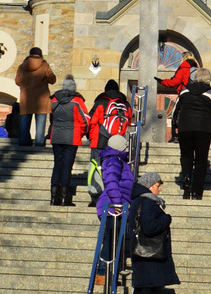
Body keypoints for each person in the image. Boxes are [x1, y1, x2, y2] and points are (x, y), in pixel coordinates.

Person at [124, 171, 178, 294]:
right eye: (157, 186)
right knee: (147, 292)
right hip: (149, 256)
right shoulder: (147, 203)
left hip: (142, 255)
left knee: (140, 291)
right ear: (148, 186)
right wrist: (166, 219)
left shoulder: (138, 202)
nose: (159, 189)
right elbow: (150, 227)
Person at [170, 68, 211, 200]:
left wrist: (175, 126)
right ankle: (197, 192)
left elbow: (176, 111)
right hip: (202, 129)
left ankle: (187, 176)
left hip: (185, 128)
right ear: (209, 79)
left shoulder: (184, 92)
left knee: (186, 155)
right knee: (201, 160)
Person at [94, 133, 136, 285]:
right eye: (125, 147)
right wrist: (118, 203)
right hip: (114, 207)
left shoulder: (115, 160)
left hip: (116, 206)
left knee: (113, 239)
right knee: (110, 238)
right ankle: (102, 274)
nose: (127, 150)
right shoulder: (114, 160)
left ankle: (107, 275)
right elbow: (111, 181)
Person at [47, 75, 89, 206]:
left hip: (57, 137)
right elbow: (86, 120)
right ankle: (65, 198)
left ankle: (54, 198)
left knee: (57, 166)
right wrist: (82, 132)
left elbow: (52, 118)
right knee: (67, 167)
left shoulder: (54, 100)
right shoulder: (77, 101)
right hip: (72, 138)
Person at [14, 47, 56, 148]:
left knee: (24, 122)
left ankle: (24, 143)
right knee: (40, 125)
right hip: (41, 100)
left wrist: (25, 85)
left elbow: (17, 81)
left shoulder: (23, 66)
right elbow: (52, 79)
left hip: (26, 99)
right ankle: (39, 144)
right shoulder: (44, 65)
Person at [88, 80, 131, 150]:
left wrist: (89, 137)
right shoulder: (126, 104)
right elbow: (128, 123)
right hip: (118, 142)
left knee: (96, 161)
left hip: (99, 141)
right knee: (115, 161)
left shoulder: (100, 102)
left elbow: (92, 121)